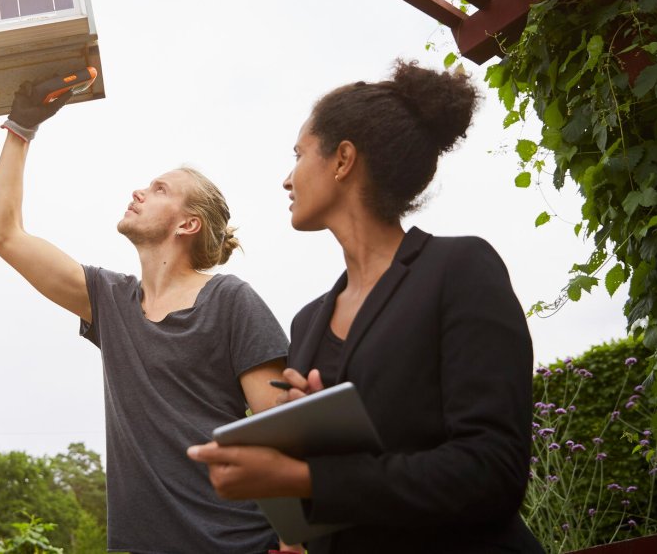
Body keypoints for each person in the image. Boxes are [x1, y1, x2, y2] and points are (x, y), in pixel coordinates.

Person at [188, 60, 544, 553]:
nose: (286, 180)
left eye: (298, 155)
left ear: (343, 160)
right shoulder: (308, 322)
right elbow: (351, 484)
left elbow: (491, 472)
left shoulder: (459, 269)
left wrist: (306, 476)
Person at [0, 82, 295, 553]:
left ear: (188, 224)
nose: (140, 190)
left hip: (238, 543)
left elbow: (282, 431)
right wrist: (21, 127)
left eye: (159, 189)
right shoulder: (109, 301)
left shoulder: (232, 301)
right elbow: (2, 234)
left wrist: (293, 537)